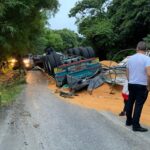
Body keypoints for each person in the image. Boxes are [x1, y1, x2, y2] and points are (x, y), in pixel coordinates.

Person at [126, 41, 150, 132]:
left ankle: (128, 121)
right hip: (142, 85)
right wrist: (148, 86)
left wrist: (130, 81)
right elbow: (149, 74)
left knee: (130, 102)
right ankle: (136, 126)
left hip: (131, 84)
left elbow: (127, 72)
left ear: (137, 48)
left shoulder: (130, 58)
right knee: (138, 105)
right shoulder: (147, 59)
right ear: (146, 50)